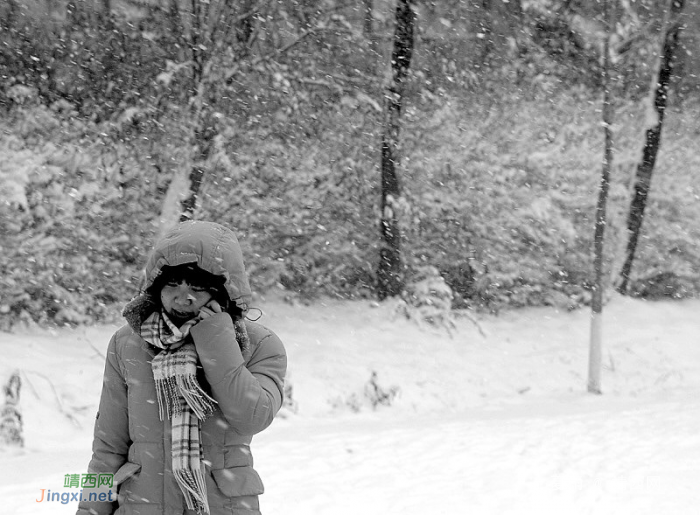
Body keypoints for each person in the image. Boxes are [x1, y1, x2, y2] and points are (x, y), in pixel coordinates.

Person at [77, 221, 287, 515]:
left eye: (198, 287)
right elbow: (108, 448)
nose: (182, 296)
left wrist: (215, 338)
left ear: (223, 290)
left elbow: (253, 416)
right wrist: (90, 510)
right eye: (172, 284)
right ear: (156, 287)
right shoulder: (129, 343)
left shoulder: (258, 344)